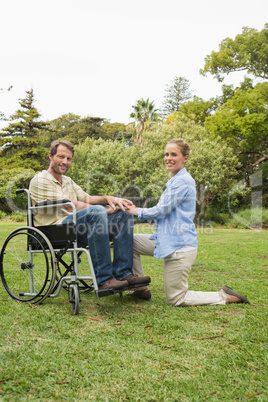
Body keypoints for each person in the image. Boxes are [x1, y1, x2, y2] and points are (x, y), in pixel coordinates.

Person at [126, 138, 250, 306]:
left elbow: (161, 210)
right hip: (166, 240)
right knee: (129, 241)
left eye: (173, 154)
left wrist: (135, 210)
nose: (168, 158)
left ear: (185, 158)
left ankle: (225, 296)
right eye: (166, 154)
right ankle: (140, 288)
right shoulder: (175, 180)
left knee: (176, 299)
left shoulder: (183, 181)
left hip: (180, 247)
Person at [29, 140, 150, 292]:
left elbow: (86, 198)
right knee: (97, 211)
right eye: (61, 157)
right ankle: (104, 279)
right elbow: (68, 204)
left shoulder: (68, 181)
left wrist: (108, 199)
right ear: (50, 156)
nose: (65, 162)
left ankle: (123, 273)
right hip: (53, 230)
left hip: (76, 229)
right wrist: (104, 210)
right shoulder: (40, 180)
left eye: (69, 159)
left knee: (123, 214)